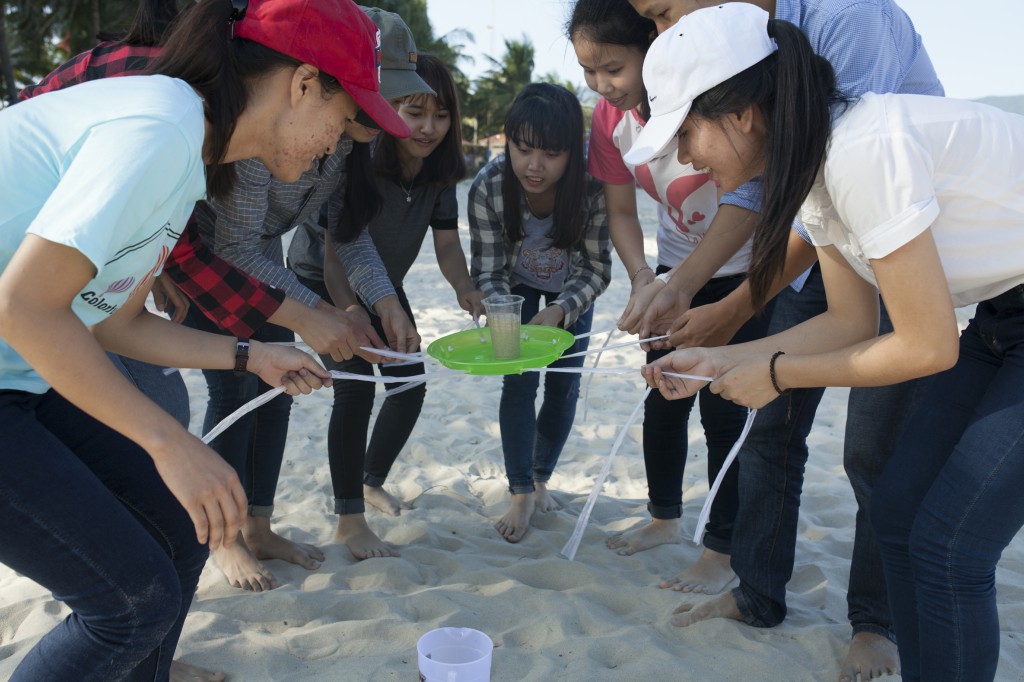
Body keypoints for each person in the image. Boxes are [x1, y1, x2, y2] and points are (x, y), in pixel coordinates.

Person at [0, 0, 398, 675]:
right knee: (130, 604)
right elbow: (25, 310)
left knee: (186, 532)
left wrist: (251, 353)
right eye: (344, 117)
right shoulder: (161, 126)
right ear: (303, 84)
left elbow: (112, 320)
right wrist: (169, 441)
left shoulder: (191, 150)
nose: (339, 141)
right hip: (19, 360)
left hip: (24, 374)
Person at [633, 5, 1024, 681]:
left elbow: (928, 346)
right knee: (900, 510)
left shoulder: (864, 147)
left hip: (991, 323)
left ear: (745, 113)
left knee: (951, 548)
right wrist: (724, 359)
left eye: (687, 132)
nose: (686, 158)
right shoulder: (813, 166)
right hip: (1001, 314)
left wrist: (777, 374)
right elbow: (850, 323)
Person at [182, 4, 426, 593]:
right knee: (236, 394)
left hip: (260, 264)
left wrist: (384, 300)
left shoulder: (345, 140)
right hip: (202, 264)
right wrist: (314, 311)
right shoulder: (271, 129)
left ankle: (260, 525)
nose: (386, 113)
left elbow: (346, 233)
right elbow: (234, 245)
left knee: (276, 395)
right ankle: (227, 538)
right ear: (316, 82)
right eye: (376, 96)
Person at [568, 0, 773, 595]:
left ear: (653, 50)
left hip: (742, 270)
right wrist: (643, 279)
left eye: (613, 68)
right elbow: (621, 209)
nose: (602, 86)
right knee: (662, 397)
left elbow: (751, 197)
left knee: (723, 411)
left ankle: (721, 550)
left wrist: (688, 285)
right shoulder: (609, 118)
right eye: (588, 72)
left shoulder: (711, 97)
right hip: (670, 267)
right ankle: (664, 518)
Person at [290, 47, 485, 557]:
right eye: (414, 112)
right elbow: (338, 254)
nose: (429, 127)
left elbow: (447, 244)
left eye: (441, 115)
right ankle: (348, 519)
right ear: (386, 107)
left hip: (383, 285)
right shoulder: (358, 158)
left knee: (409, 384)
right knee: (354, 390)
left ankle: (369, 478)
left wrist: (465, 289)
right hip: (321, 281)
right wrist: (352, 312)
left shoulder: (438, 171)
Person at [469, 83, 612, 543]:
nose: (535, 165)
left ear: (574, 150)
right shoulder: (488, 186)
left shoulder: (593, 188)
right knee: (519, 381)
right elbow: (487, 273)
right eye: (523, 149)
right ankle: (520, 490)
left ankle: (541, 475)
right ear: (508, 141)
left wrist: (560, 310)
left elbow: (596, 270)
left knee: (563, 387)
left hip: (570, 294)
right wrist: (502, 313)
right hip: (514, 292)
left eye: (551, 153)